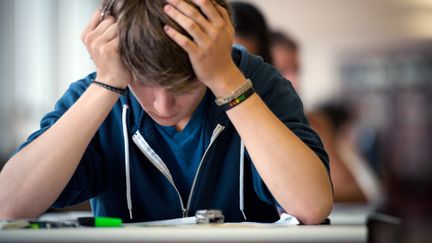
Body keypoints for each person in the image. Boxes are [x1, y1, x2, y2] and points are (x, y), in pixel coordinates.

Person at [0, 0, 332, 224]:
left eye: (183, 86)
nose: (162, 105)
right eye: (142, 83)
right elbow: (8, 205)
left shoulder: (259, 84)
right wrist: (108, 85)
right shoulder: (98, 91)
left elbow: (312, 207)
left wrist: (226, 81)